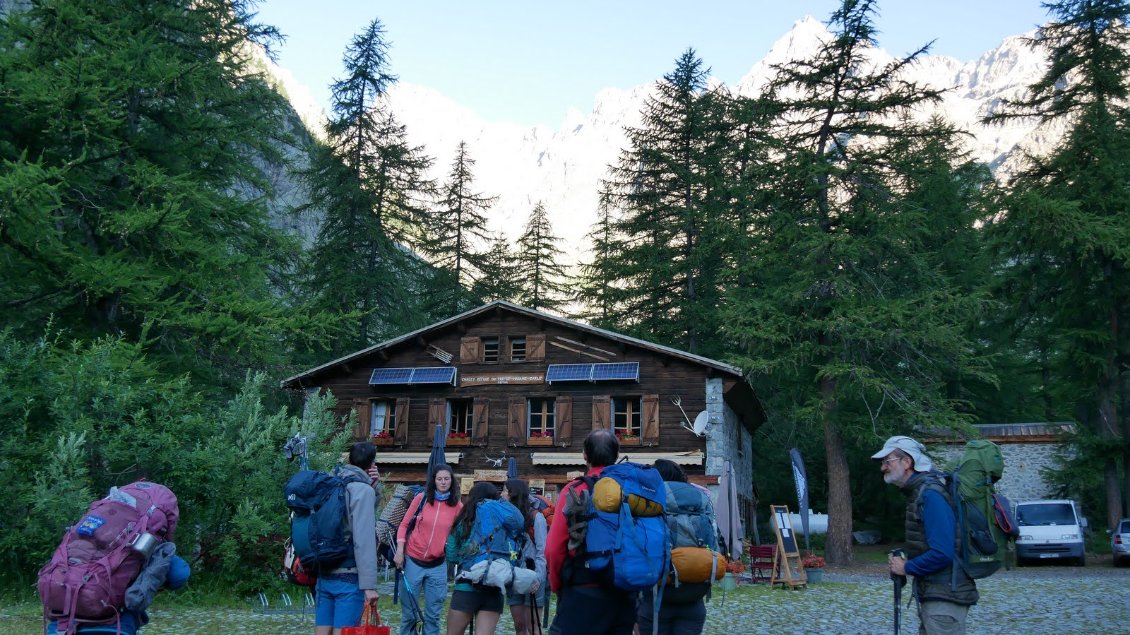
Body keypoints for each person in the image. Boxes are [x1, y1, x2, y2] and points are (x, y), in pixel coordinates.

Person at [874, 435, 978, 635]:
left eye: (888, 461)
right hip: (936, 594)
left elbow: (942, 552)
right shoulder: (920, 493)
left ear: (907, 462)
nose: (883, 467)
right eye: (882, 463)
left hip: (945, 598)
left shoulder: (930, 495)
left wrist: (907, 567)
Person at [546, 428, 635, 635]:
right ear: (616, 455)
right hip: (623, 591)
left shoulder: (575, 490)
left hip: (582, 589)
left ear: (585, 455)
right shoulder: (630, 490)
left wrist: (557, 585)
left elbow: (553, 548)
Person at [636, 459, 716, 635]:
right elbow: (714, 548)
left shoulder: (649, 502)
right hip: (693, 600)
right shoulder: (699, 504)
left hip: (655, 602)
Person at [316, 441, 381, 635]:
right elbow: (364, 539)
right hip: (348, 574)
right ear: (371, 465)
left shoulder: (329, 482)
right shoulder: (362, 491)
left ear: (349, 460)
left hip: (324, 569)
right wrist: (369, 586)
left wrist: (374, 487)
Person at [445, 481, 524, 635]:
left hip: (466, 586)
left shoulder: (465, 521)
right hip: (494, 586)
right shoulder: (503, 523)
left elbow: (451, 554)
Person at [396, 464, 462, 635]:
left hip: (438, 565)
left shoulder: (457, 506)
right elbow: (403, 525)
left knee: (433, 615)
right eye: (439, 479)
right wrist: (399, 550)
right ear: (433, 481)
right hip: (412, 560)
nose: (443, 482)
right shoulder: (421, 499)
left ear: (452, 481)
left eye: (447, 479)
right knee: (410, 615)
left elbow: (460, 533)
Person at [503, 479, 547, 635]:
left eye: (505, 491)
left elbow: (543, 551)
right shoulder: (507, 517)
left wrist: (538, 577)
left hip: (533, 575)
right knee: (519, 626)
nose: (502, 494)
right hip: (514, 575)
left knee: (533, 627)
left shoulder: (537, 518)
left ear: (513, 494)